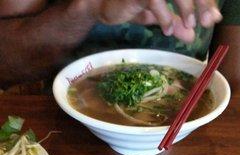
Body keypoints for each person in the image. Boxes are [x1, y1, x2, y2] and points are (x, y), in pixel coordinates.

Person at [0, 0, 239, 91]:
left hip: (185, 135)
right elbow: (5, 66)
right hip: (61, 130)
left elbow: (232, 85)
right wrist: (88, 9)